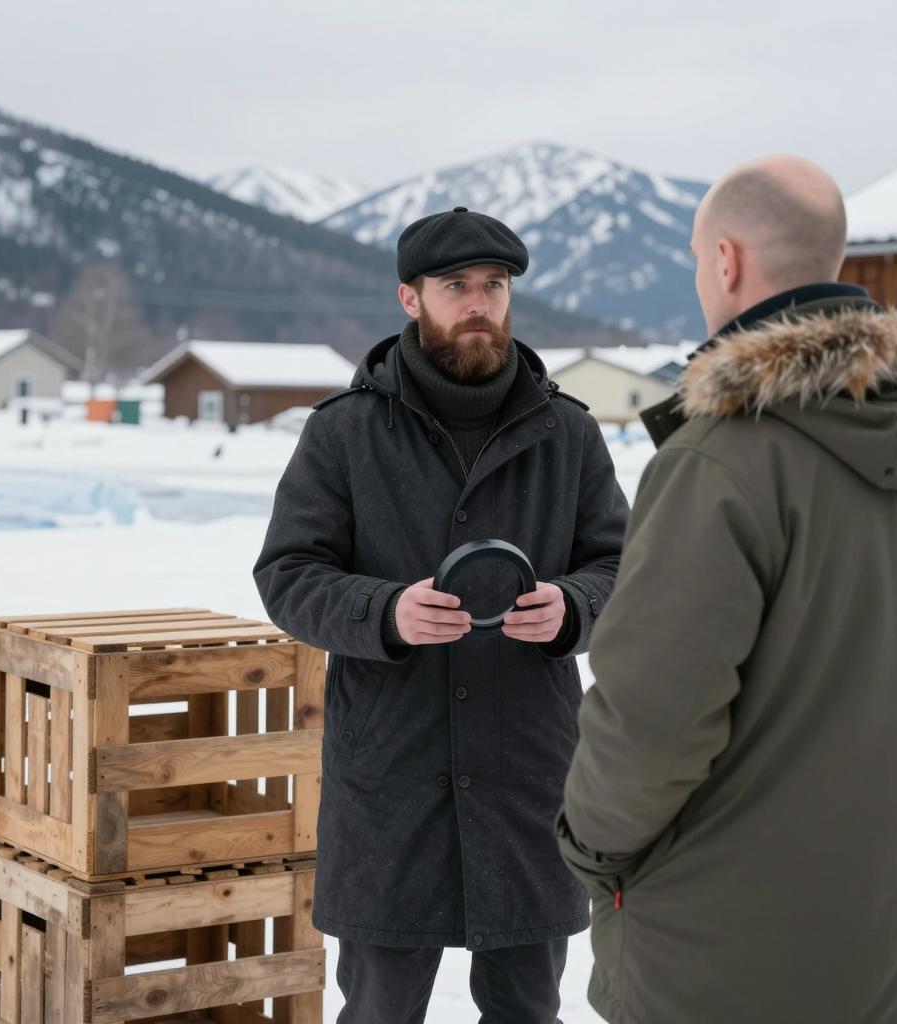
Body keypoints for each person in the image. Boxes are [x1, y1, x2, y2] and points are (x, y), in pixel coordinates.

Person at [556, 154, 897, 1024]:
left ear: (726, 261)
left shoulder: (721, 461)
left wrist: (590, 850)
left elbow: (652, 723)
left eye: (694, 258)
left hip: (721, 955)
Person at [254, 206, 628, 1023]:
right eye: (455, 286)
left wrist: (574, 608)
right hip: (392, 775)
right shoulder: (344, 433)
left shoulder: (567, 432)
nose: (478, 303)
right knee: (381, 1009)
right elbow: (288, 574)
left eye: (494, 285)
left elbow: (622, 569)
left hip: (527, 771)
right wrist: (384, 611)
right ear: (410, 297)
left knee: (528, 1008)